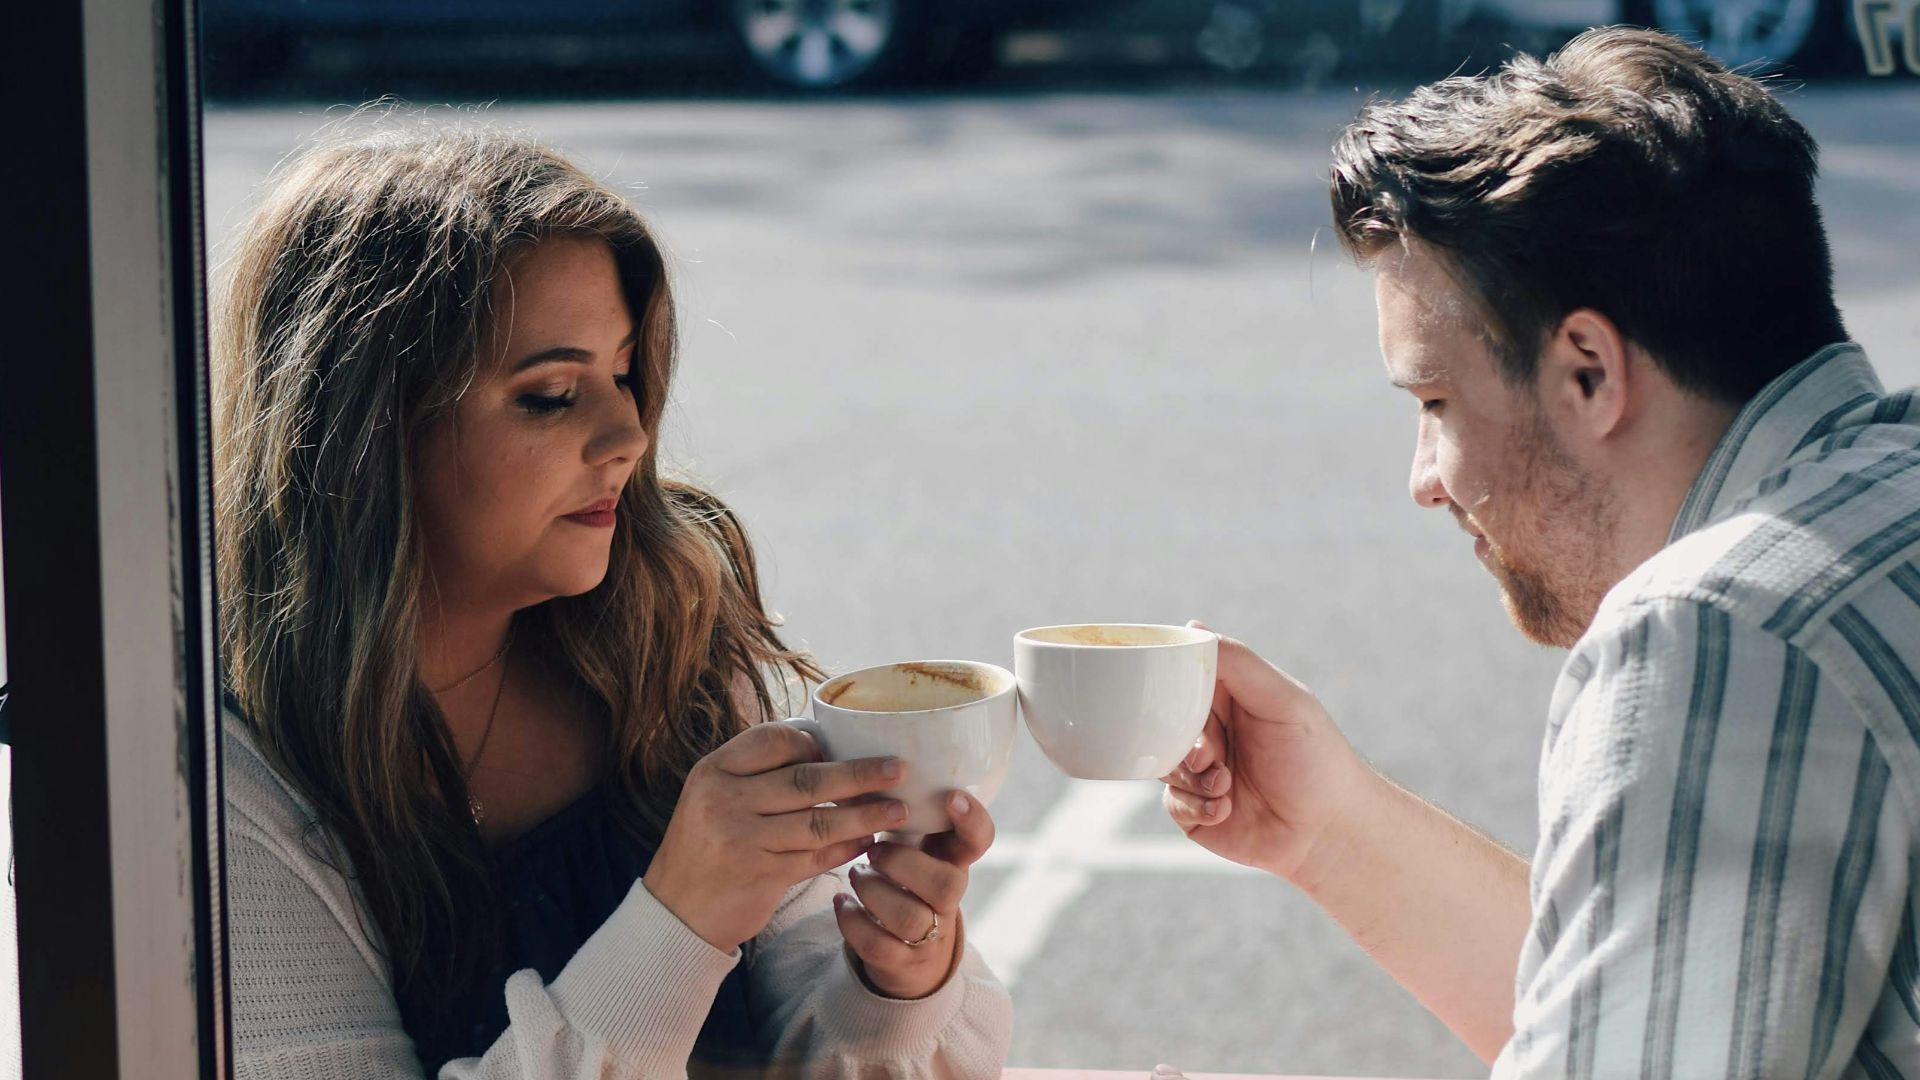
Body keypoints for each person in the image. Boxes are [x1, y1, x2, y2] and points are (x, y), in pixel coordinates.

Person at [1162, 26, 1920, 1078]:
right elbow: (1658, 1010)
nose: (1424, 479)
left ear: (1589, 375)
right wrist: (1329, 827)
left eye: (1435, 402)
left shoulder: (1725, 633)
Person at [212, 119, 1011, 1079]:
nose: (628, 434)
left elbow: (819, 1033)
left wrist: (894, 979)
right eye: (552, 395)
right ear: (364, 432)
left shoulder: (660, 631)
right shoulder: (223, 766)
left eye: (627, 375)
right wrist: (681, 920)